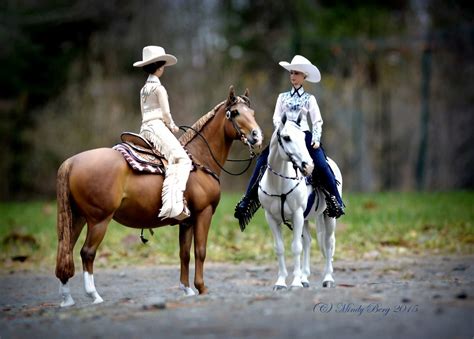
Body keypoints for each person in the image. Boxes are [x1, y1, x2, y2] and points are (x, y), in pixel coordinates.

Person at [235, 55, 344, 228]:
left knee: (322, 164)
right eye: (291, 73)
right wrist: (282, 130)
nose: (293, 76)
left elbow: (317, 121)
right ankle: (247, 200)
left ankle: (335, 200)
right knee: (262, 161)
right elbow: (276, 117)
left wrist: (316, 138)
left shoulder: (310, 99)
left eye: (297, 73)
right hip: (284, 136)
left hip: (304, 136)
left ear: (304, 77)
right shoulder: (282, 97)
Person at [133, 45, 192, 220]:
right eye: (163, 66)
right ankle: (173, 205)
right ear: (159, 68)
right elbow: (165, 113)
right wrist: (172, 126)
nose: (164, 69)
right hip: (157, 126)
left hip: (145, 128)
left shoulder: (143, 89)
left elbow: (145, 113)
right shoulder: (159, 89)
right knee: (182, 159)